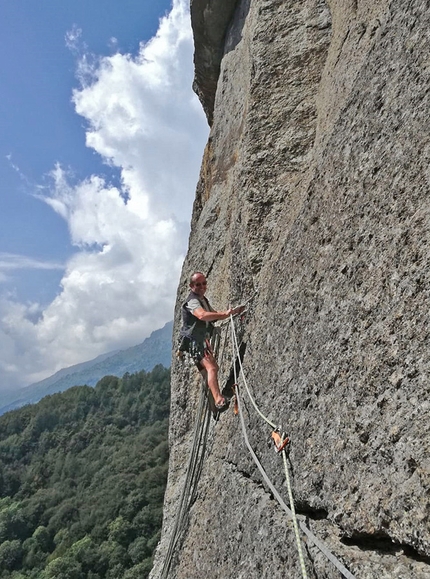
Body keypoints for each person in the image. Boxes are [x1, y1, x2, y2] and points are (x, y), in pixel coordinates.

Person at [180, 272, 245, 411]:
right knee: (212, 368)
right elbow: (202, 315)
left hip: (198, 341)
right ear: (191, 286)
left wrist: (232, 313)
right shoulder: (192, 301)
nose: (202, 286)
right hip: (196, 342)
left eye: (204, 283)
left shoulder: (203, 300)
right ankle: (219, 401)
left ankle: (213, 406)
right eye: (198, 284)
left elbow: (213, 316)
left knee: (209, 371)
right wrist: (226, 314)